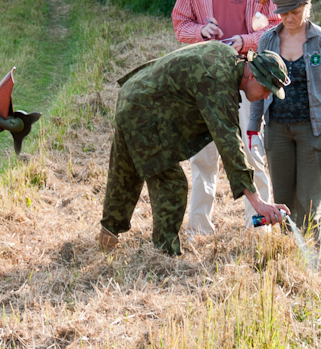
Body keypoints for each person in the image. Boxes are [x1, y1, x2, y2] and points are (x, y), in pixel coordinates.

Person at [98, 42, 292, 256]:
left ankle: (108, 235)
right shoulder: (218, 83)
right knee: (172, 185)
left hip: (133, 94)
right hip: (143, 111)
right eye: (266, 89)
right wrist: (257, 202)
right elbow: (229, 143)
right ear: (252, 75)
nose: (266, 97)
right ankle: (165, 256)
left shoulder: (227, 57)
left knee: (125, 170)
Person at [171, 0, 280, 237]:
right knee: (203, 156)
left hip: (248, 75)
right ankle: (199, 227)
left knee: (250, 150)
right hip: (206, 77)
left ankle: (258, 226)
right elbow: (180, 24)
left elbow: (275, 25)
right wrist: (201, 30)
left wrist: (245, 41)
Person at [248, 0, 321, 259]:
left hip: (312, 130)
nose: (289, 18)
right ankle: (287, 254)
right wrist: (252, 130)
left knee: (309, 199)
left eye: (295, 12)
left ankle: (310, 259)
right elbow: (259, 84)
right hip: (277, 129)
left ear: (307, 7)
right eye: (284, 13)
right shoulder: (268, 39)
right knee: (283, 198)